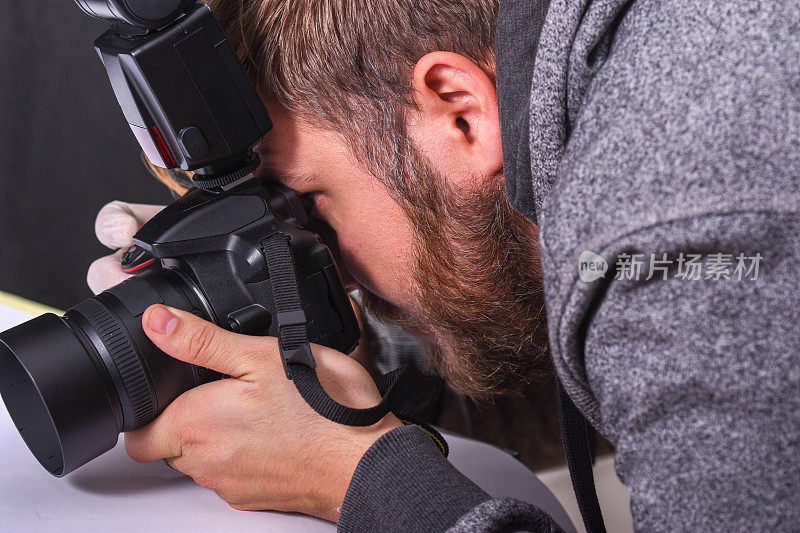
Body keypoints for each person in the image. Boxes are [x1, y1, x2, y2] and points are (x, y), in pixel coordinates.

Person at [87, 0, 800, 531]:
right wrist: (341, 373)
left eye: (309, 208)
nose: (341, 272)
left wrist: (358, 473)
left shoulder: (673, 223)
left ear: (459, 112)